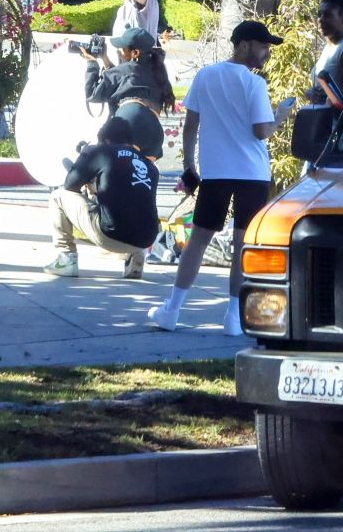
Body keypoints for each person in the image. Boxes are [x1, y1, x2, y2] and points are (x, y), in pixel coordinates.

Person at [147, 20, 295, 335]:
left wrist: (190, 165)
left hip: (216, 173)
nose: (267, 52)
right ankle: (233, 317)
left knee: (198, 239)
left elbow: (190, 126)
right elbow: (261, 132)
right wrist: (281, 114)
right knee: (243, 243)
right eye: (263, 46)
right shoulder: (255, 84)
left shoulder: (206, 76)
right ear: (243, 45)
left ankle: (171, 310)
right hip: (252, 174)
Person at [44, 116, 160, 279]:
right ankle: (136, 259)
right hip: (146, 239)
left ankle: (66, 259)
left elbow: (70, 185)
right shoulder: (150, 165)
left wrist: (84, 157)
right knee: (137, 207)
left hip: (110, 235)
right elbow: (129, 196)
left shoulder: (103, 152)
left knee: (58, 196)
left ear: (105, 139)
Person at [82, 27, 175, 164]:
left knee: (106, 167)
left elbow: (92, 94)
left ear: (135, 53)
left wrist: (92, 63)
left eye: (122, 48)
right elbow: (127, 81)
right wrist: (105, 58)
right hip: (154, 135)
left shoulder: (124, 71)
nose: (119, 50)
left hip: (129, 127)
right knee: (139, 179)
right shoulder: (158, 70)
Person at [306, 0, 343, 104]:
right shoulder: (330, 47)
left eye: (328, 15)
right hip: (323, 120)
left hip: (335, 122)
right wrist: (309, 93)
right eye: (320, 14)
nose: (321, 20)